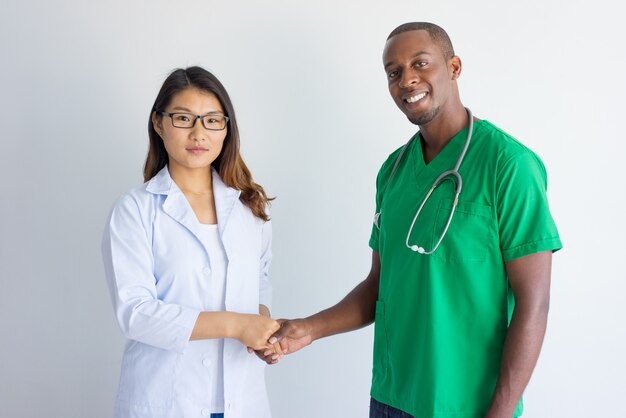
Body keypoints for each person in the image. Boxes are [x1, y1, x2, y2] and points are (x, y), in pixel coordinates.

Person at [269, 22, 562, 418]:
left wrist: (502, 411)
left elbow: (535, 304)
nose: (407, 80)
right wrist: (307, 329)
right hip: (391, 399)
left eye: (420, 64)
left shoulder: (508, 165)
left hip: (466, 405)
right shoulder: (393, 171)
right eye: (394, 72)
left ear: (454, 67)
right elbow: (379, 286)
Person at [102, 66, 281, 418]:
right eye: (184, 118)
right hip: (166, 400)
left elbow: (259, 280)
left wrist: (262, 330)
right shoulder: (135, 210)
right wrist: (236, 325)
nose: (199, 133)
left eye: (213, 120)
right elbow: (135, 312)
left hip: (242, 399)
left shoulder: (248, 205)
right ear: (158, 123)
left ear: (226, 128)